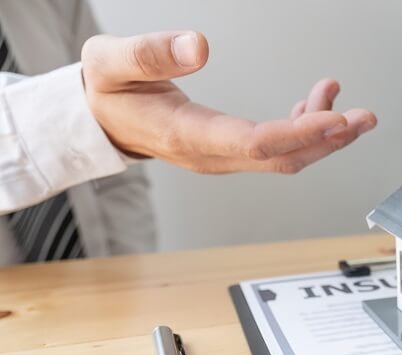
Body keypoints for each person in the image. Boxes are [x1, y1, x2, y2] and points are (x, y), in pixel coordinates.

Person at [0, 1, 376, 265]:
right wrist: (85, 118)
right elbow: (96, 107)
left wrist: (119, 277)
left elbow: (115, 175)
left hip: (98, 290)